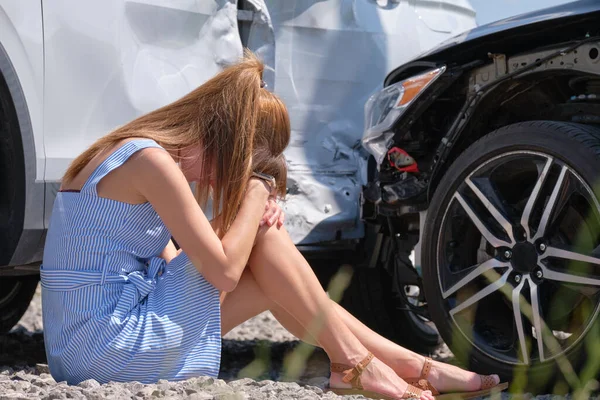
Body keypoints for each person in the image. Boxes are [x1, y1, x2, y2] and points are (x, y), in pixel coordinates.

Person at [40, 52, 507, 400]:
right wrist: (257, 197)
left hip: (87, 344)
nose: (221, 182)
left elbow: (164, 267)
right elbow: (221, 272)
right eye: (242, 169)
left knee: (270, 276)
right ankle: (363, 364)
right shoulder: (151, 161)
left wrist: (250, 214)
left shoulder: (135, 154)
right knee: (263, 236)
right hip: (107, 346)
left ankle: (401, 364)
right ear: (226, 142)